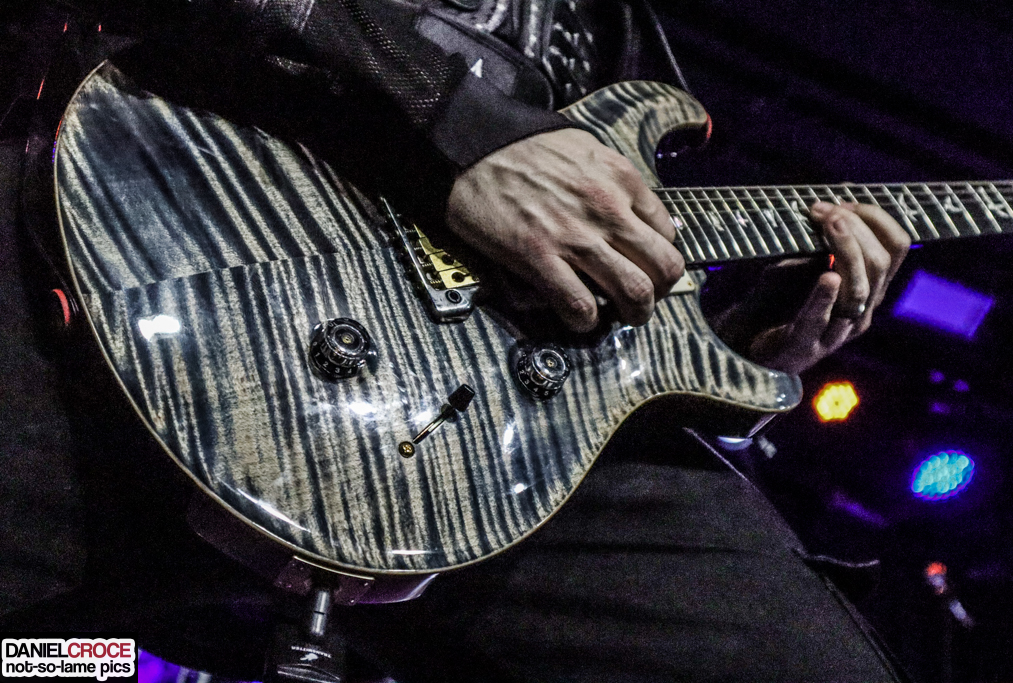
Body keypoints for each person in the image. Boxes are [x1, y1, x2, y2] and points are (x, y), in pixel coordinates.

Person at [3, 1, 911, 680]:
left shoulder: (614, 24)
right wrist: (464, 129)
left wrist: (725, 349)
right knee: (48, 658)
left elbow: (580, 240)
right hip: (151, 255)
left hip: (478, 434)